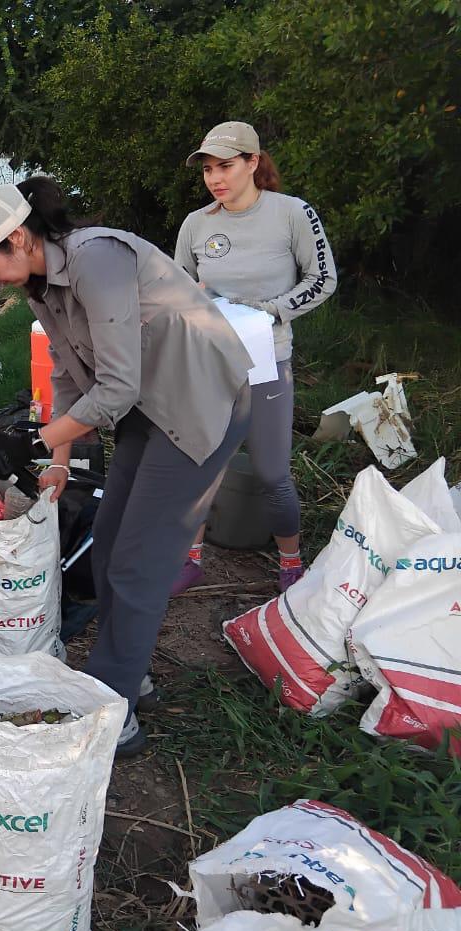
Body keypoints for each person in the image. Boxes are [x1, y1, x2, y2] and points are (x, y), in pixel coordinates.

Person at [0, 178, 252, 756]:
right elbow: (69, 376)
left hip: (200, 402)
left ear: (18, 236)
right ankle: (131, 671)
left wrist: (38, 441)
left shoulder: (98, 260)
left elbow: (115, 386)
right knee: (111, 541)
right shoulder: (43, 286)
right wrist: (59, 462)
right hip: (151, 405)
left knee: (138, 563)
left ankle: (113, 712)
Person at [172, 121, 337, 595]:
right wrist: (192, 298)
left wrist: (274, 311)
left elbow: (322, 280)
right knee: (200, 465)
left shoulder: (292, 214)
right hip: (210, 364)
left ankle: (290, 564)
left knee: (272, 473)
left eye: (225, 166)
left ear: (252, 162)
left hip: (268, 363)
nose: (215, 178)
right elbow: (177, 287)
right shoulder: (197, 224)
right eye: (207, 169)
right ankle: (191, 556)